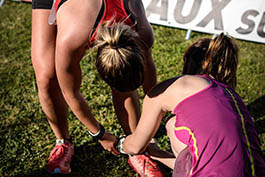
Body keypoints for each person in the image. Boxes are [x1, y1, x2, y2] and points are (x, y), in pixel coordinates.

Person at [31, 0, 163, 176]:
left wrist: (148, 128)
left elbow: (150, 86)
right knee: (47, 77)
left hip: (101, 11)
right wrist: (99, 134)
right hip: (73, 10)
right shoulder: (72, 38)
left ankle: (136, 148)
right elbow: (70, 92)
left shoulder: (142, 31)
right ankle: (63, 142)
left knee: (123, 73)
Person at [119, 33, 265, 176]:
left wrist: (120, 144)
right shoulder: (233, 97)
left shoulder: (169, 89)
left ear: (188, 63)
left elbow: (135, 146)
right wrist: (157, 154)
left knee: (172, 124)